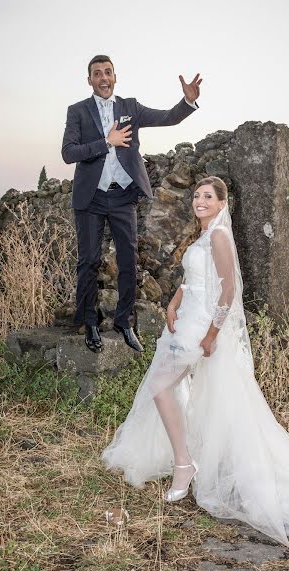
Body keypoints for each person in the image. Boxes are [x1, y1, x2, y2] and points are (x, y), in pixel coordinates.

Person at [101, 176, 289, 553]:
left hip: (202, 328)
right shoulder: (202, 236)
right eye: (196, 195)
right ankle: (188, 457)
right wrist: (173, 301)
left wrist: (211, 334)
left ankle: (185, 463)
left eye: (207, 197)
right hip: (187, 320)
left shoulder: (219, 237)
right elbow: (195, 278)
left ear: (221, 203)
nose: (199, 201)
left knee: (161, 387)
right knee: (172, 389)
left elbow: (228, 289)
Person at [62, 54, 201, 353]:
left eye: (108, 72)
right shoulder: (77, 111)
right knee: (88, 262)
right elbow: (68, 152)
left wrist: (186, 102)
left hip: (123, 195)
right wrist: (106, 142)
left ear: (115, 77)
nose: (103, 77)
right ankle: (90, 321)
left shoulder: (130, 107)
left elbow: (167, 117)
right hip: (91, 197)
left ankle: (125, 322)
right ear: (89, 80)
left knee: (129, 260)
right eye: (97, 73)